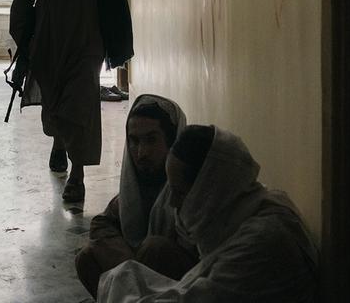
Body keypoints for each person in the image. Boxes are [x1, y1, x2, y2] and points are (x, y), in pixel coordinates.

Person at [10, 0, 133, 202]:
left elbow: (115, 4)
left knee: (81, 108)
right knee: (54, 105)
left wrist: (114, 46)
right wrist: (24, 41)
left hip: (86, 46)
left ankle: (77, 176)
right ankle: (58, 143)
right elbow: (23, 1)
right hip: (49, 46)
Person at [98, 125, 319, 302]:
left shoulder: (262, 242)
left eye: (181, 192)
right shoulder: (239, 207)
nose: (173, 202)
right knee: (123, 275)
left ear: (210, 189)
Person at [76, 95, 197, 297]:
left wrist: (136, 264)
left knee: (155, 249)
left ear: (173, 140)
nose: (141, 153)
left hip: (192, 288)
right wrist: (132, 263)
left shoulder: (192, 186)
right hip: (143, 281)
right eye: (134, 141)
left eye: (151, 140)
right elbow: (102, 223)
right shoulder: (137, 187)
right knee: (87, 258)